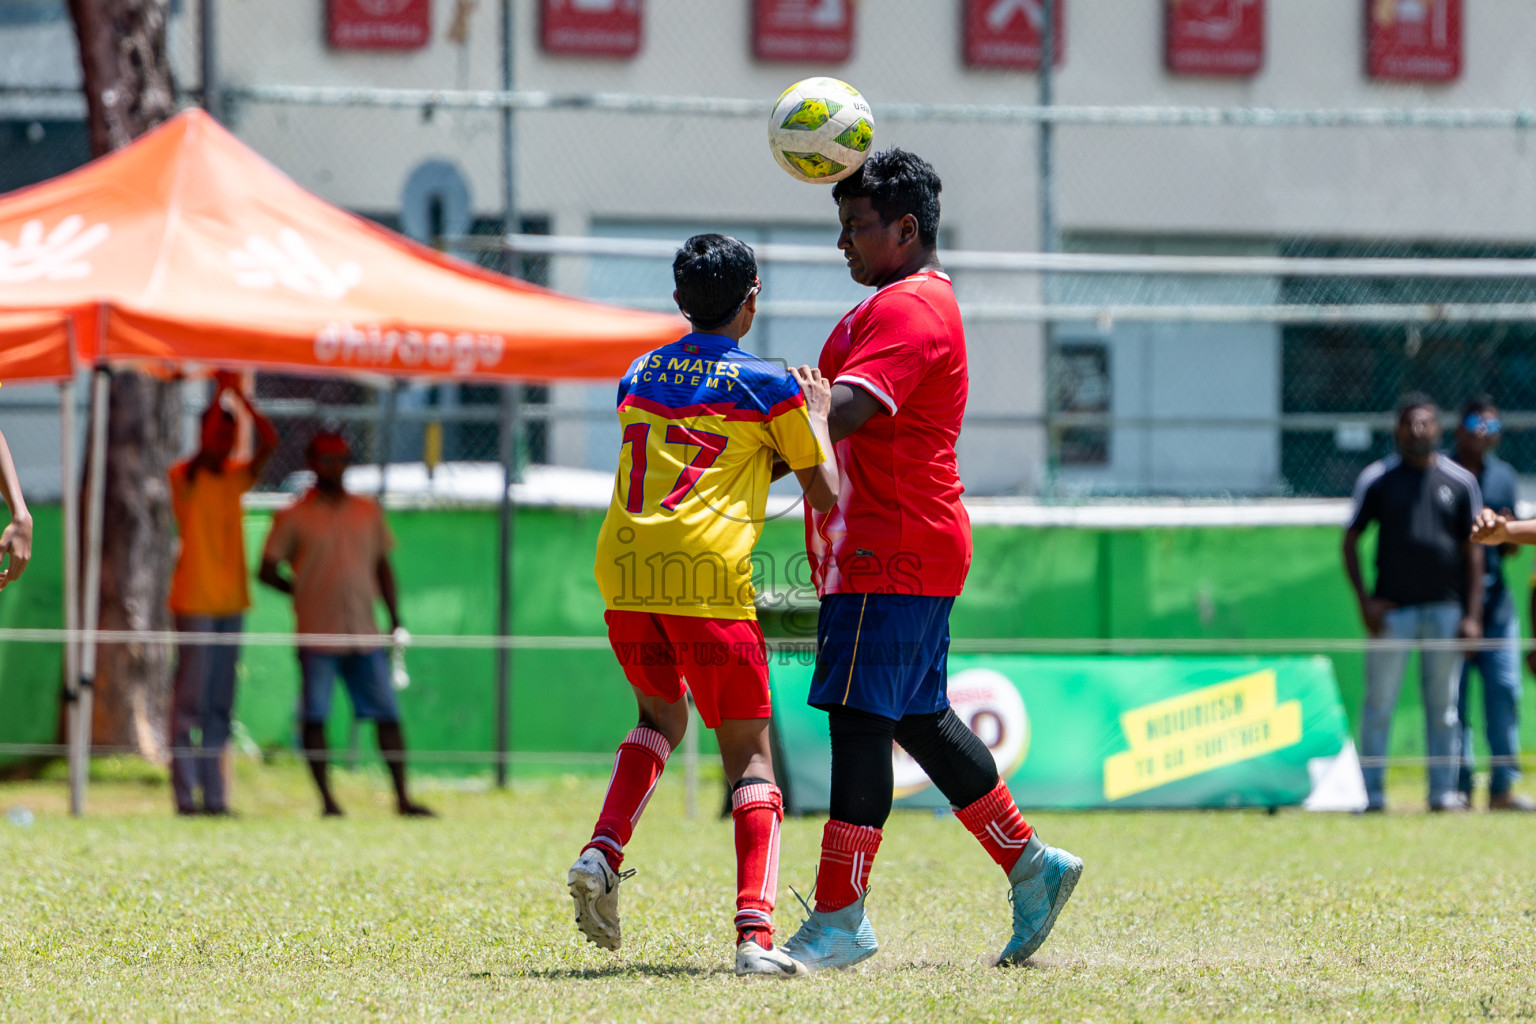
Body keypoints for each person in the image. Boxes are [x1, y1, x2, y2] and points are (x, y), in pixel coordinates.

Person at [777, 149, 1081, 973]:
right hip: (901, 542)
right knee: (916, 717)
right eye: (840, 225)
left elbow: (834, 413)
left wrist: (759, 428)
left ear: (906, 230)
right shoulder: (900, 301)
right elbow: (821, 419)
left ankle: (841, 919)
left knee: (861, 722)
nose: (843, 242)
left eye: (857, 227)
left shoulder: (908, 310)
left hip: (890, 546)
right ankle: (1032, 866)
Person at [569, 233, 839, 978]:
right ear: (752, 298)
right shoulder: (771, 387)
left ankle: (602, 851)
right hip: (704, 580)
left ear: (679, 300)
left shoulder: (636, 372)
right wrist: (815, 416)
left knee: (660, 717)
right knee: (750, 756)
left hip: (625, 570)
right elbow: (826, 495)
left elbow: (699, 444)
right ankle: (755, 937)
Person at [258, 431, 433, 819]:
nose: (332, 466)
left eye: (339, 459)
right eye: (325, 458)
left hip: (364, 633)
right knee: (316, 715)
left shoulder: (367, 511)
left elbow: (383, 566)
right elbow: (266, 569)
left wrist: (394, 615)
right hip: (318, 634)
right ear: (311, 461)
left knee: (387, 714)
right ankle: (328, 801)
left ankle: (402, 798)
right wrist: (300, 592)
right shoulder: (293, 515)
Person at [1344, 394, 1483, 813]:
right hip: (1393, 614)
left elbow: (1473, 551)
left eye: (1425, 423)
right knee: (1379, 704)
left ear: (1439, 429)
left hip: (1446, 611)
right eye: (1410, 424)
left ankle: (1442, 793)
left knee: (1444, 708)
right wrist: (1365, 601)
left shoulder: (1460, 482)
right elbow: (1351, 540)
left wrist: (1472, 616)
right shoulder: (1378, 479)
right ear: (1397, 431)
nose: (1418, 430)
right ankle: (1371, 794)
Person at [167, 373, 278, 816]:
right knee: (189, 703)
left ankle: (215, 797)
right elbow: (206, 443)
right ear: (202, 433)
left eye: (231, 434)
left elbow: (270, 442)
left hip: (231, 604)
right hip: (195, 604)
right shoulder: (185, 476)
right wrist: (219, 393)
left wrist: (241, 399)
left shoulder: (236, 477)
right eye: (219, 431)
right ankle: (184, 797)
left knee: (219, 706)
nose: (225, 440)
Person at [1449, 397, 1534, 811]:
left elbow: (1512, 541)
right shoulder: (1442, 473)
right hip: (1454, 607)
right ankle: (1459, 786)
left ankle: (1503, 787)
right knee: (1455, 701)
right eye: (1473, 421)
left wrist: (1506, 532)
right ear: (1458, 428)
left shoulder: (1503, 476)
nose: (1482, 431)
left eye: (1491, 424)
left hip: (1498, 609)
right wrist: (1505, 532)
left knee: (1504, 693)